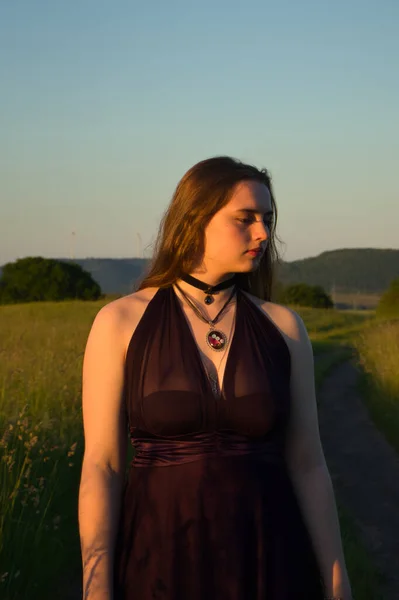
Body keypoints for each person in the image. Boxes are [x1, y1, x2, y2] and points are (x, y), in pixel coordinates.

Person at [78, 156, 353, 600]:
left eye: (268, 219)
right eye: (245, 219)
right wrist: (96, 587)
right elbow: (103, 466)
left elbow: (308, 464)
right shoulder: (120, 322)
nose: (263, 233)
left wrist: (338, 582)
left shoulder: (283, 327)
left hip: (271, 560)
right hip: (158, 560)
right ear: (194, 220)